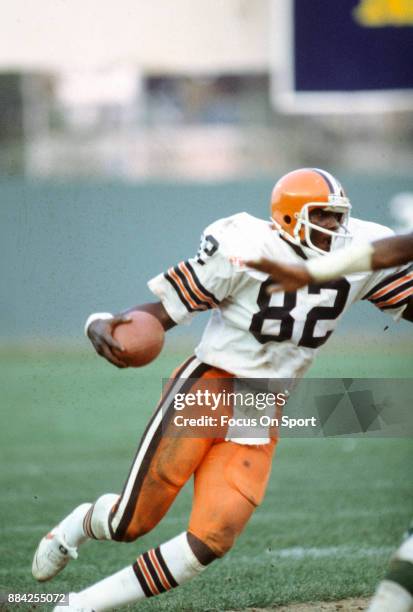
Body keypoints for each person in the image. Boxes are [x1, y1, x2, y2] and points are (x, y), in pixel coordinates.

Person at [32, 168, 413, 612]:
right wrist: (100, 320)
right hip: (210, 383)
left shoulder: (359, 249)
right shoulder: (243, 246)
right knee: (130, 522)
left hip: (261, 400)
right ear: (290, 218)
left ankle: (79, 606)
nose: (334, 227)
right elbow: (165, 312)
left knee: (212, 538)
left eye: (337, 216)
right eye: (323, 216)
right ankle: (78, 525)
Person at [246, 231, 413, 293]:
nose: (333, 224)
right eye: (321, 213)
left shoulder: (363, 235)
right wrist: (311, 271)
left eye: (338, 214)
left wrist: (311, 271)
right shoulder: (246, 239)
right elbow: (400, 249)